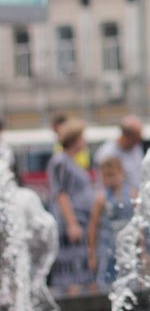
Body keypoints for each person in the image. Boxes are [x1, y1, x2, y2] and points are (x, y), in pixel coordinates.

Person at [47, 118, 94, 293]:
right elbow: (61, 194)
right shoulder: (61, 161)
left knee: (78, 265)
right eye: (83, 137)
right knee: (70, 267)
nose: (85, 141)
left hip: (80, 221)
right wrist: (72, 223)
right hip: (71, 223)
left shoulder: (71, 161)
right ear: (75, 138)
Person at [87, 156, 136, 288]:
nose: (110, 180)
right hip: (107, 249)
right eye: (106, 176)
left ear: (121, 173)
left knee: (130, 280)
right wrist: (92, 254)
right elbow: (93, 227)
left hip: (127, 248)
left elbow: (138, 224)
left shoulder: (132, 195)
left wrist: (142, 251)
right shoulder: (101, 198)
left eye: (113, 175)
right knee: (106, 281)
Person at [94, 115, 144, 192]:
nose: (139, 141)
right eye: (137, 138)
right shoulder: (107, 153)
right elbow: (103, 182)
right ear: (128, 136)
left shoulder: (136, 148)